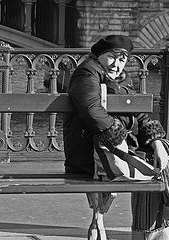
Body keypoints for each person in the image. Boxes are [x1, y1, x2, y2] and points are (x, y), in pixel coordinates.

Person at [63, 35, 169, 239]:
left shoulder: (122, 79)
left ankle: (154, 232)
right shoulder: (86, 73)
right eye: (112, 57)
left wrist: (156, 142)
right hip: (92, 154)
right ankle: (150, 234)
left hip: (118, 150)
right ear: (99, 55)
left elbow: (140, 115)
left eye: (122, 60)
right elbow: (91, 109)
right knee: (158, 171)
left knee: (163, 157)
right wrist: (117, 134)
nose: (117, 64)